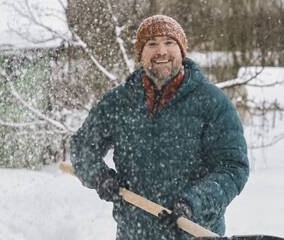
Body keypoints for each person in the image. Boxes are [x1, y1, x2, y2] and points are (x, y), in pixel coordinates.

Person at [69, 15, 249, 240]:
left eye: (169, 42)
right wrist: (100, 176)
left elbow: (233, 168)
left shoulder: (211, 102)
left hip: (194, 233)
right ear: (140, 54)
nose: (161, 51)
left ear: (182, 50)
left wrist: (193, 204)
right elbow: (82, 146)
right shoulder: (118, 102)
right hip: (133, 233)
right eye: (151, 44)